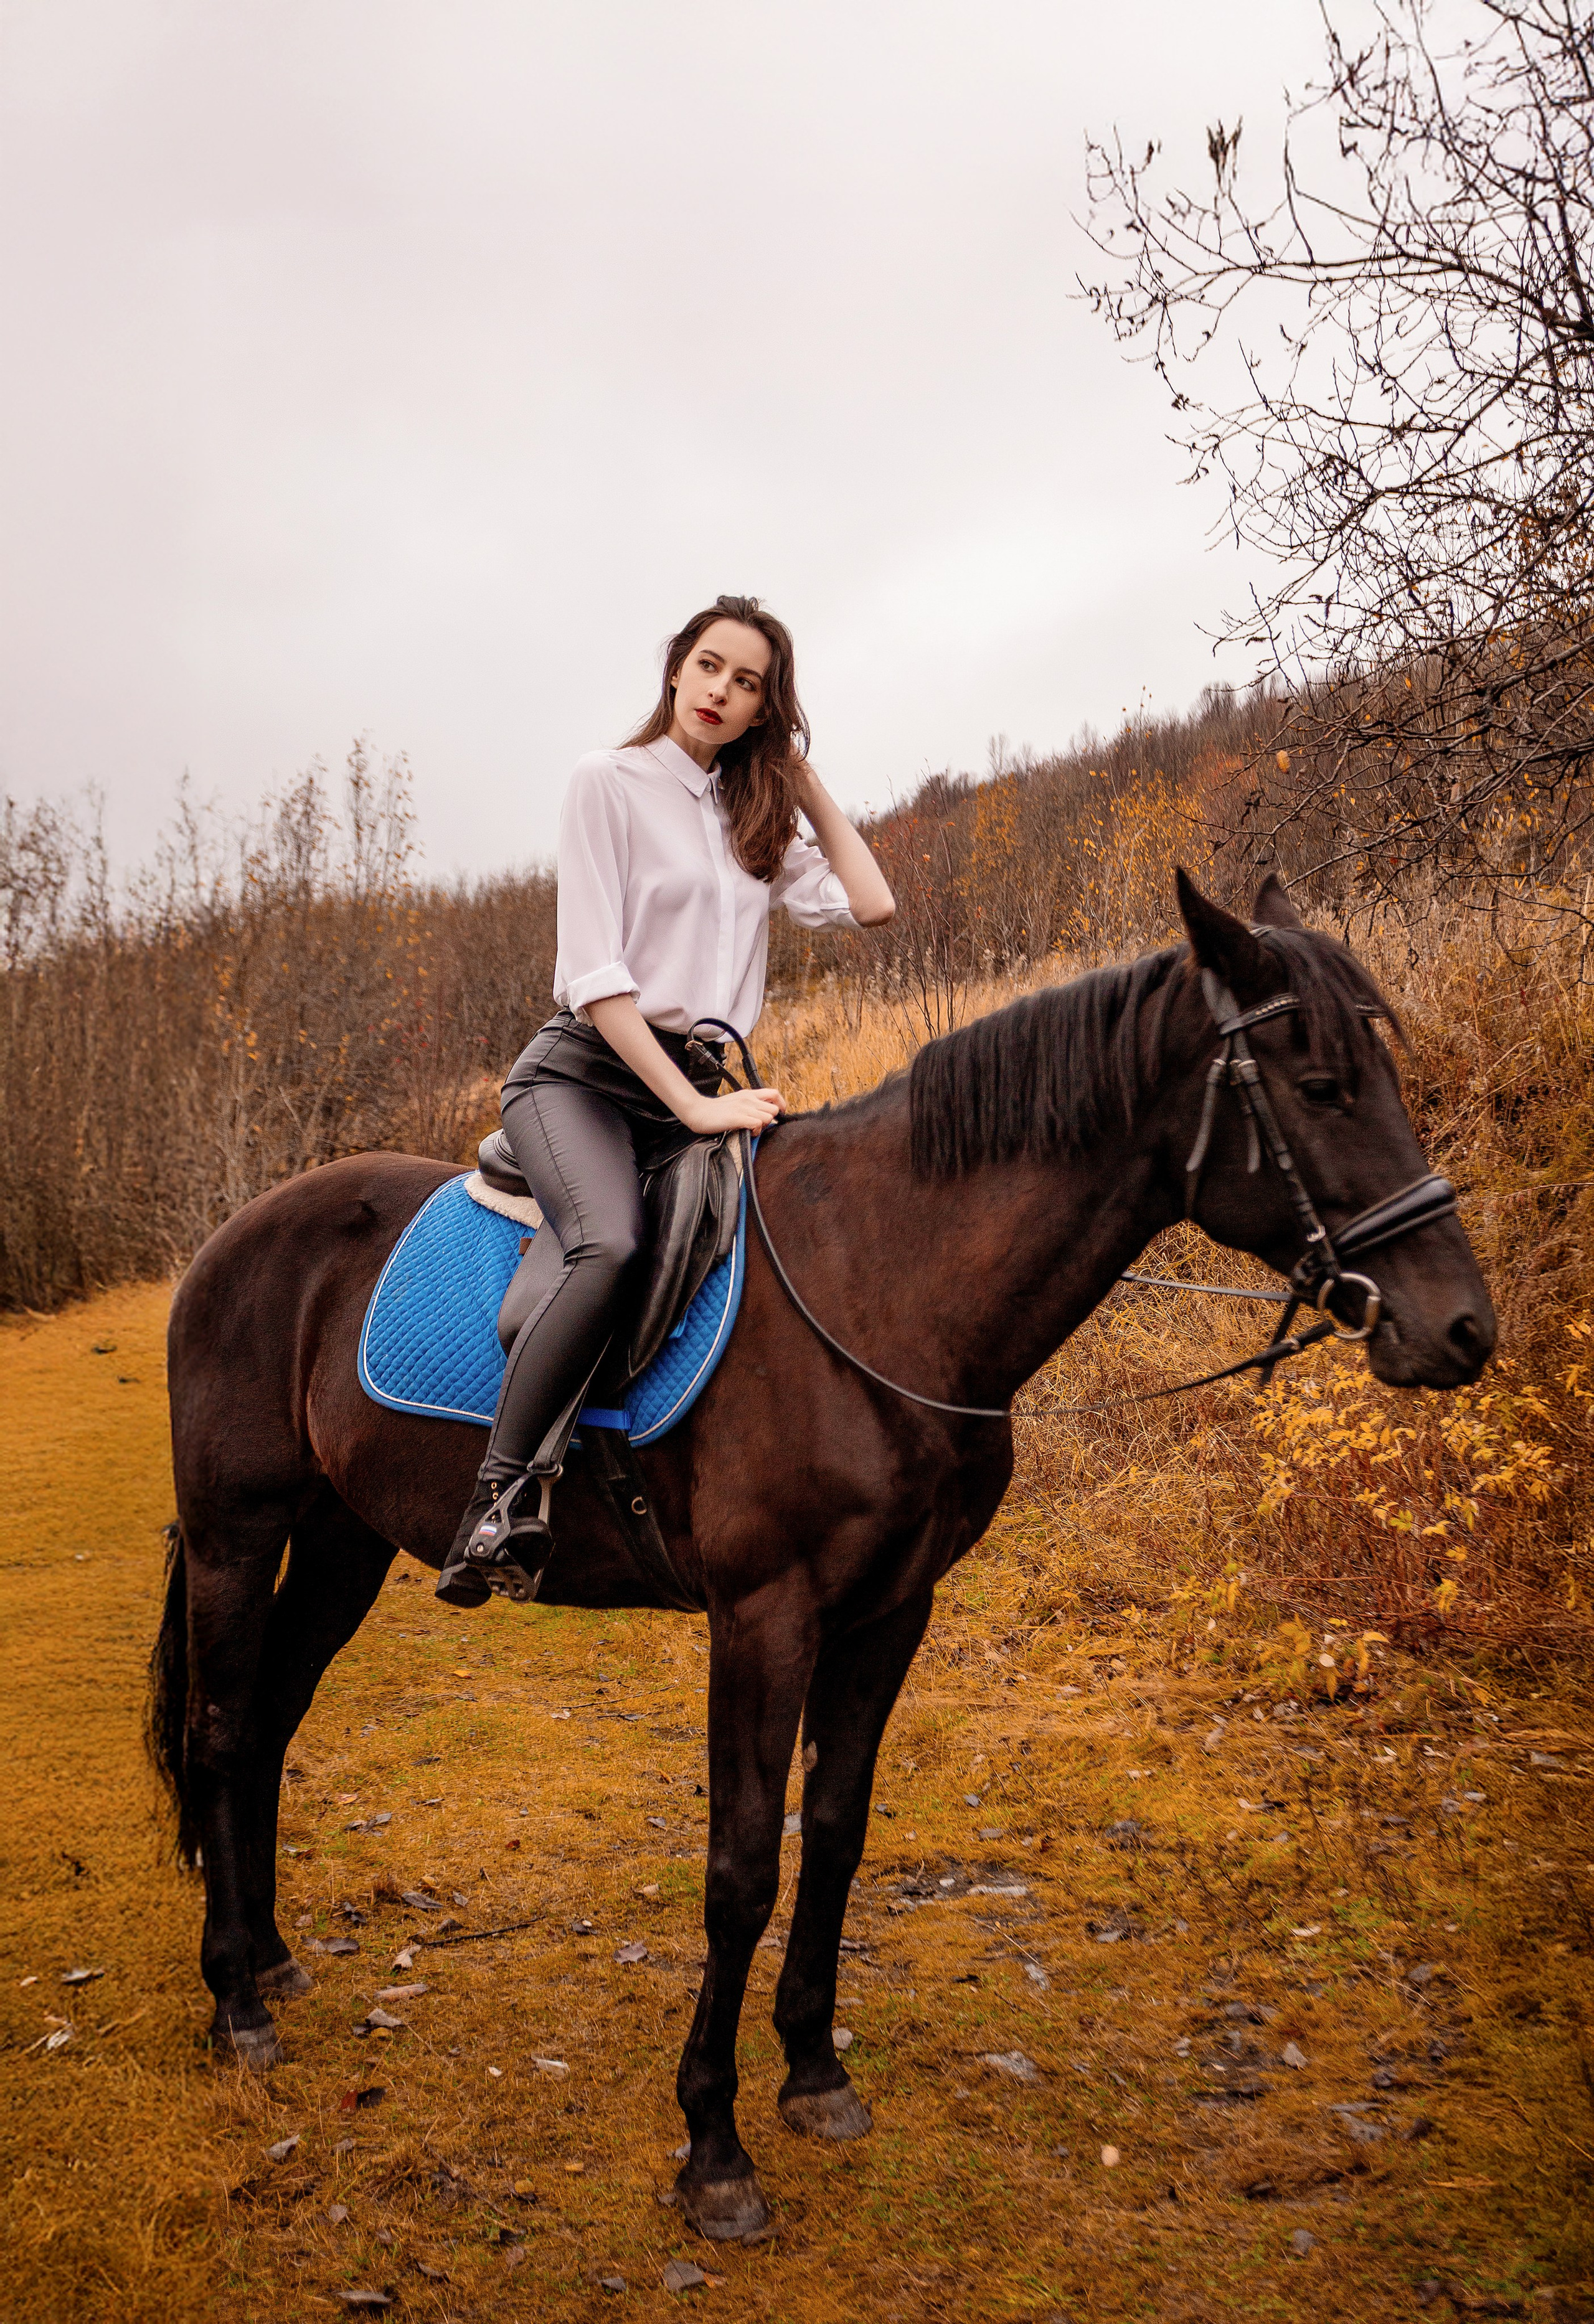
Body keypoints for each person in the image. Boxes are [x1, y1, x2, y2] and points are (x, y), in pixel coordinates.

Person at [436, 595, 895, 1605]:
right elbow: (596, 981)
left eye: (749, 684)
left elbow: (872, 903)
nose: (722, 692)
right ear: (675, 668)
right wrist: (691, 1112)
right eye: (710, 666)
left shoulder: (750, 812)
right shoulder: (608, 782)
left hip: (692, 1085)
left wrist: (804, 779)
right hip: (583, 1078)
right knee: (610, 1242)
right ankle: (498, 1505)